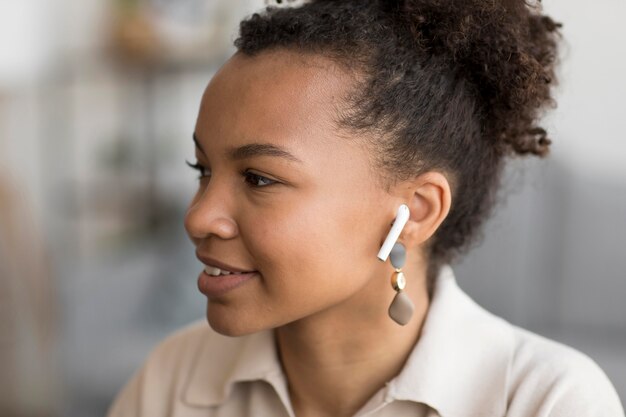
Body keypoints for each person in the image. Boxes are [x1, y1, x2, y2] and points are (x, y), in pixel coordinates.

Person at [106, 0, 625, 416]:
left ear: (416, 212)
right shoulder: (172, 380)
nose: (197, 218)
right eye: (202, 170)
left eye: (259, 177)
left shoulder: (549, 401)